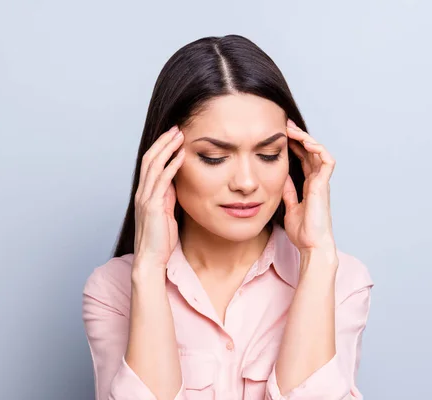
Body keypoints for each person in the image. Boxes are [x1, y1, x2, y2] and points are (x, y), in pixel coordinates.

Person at [82, 34, 374, 400]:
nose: (247, 183)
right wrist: (149, 270)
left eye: (269, 154)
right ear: (163, 161)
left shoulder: (341, 283)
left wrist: (317, 256)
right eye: (214, 158)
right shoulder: (114, 290)